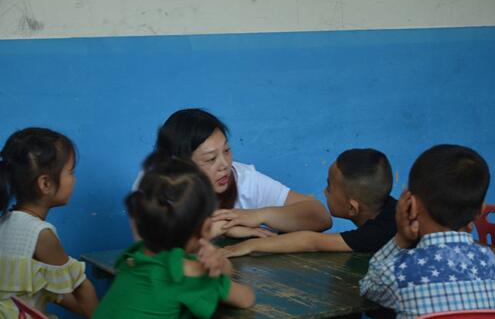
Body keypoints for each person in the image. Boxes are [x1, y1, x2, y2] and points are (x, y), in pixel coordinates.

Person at [94, 158, 255, 319]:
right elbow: (246, 298)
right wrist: (219, 263)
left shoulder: (133, 256)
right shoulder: (191, 274)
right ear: (206, 228)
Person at [134, 108, 331, 239]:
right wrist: (225, 228)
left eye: (227, 151)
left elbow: (320, 216)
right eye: (210, 159)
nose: (225, 165)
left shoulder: (242, 178)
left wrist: (258, 215)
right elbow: (154, 246)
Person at [360, 144, 495, 318]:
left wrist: (401, 239)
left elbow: (368, 288)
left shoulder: (396, 272)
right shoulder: (491, 261)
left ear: (412, 206)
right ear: (480, 211)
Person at [222, 148, 397, 257]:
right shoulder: (392, 208)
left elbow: (311, 241)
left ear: (352, 208)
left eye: (329, 187)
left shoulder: (377, 233)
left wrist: (248, 246)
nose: (324, 192)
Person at [0, 127, 98, 318]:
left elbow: (47, 286)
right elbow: (82, 289)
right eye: (71, 172)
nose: (74, 180)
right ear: (45, 184)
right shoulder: (41, 234)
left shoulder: (5, 222)